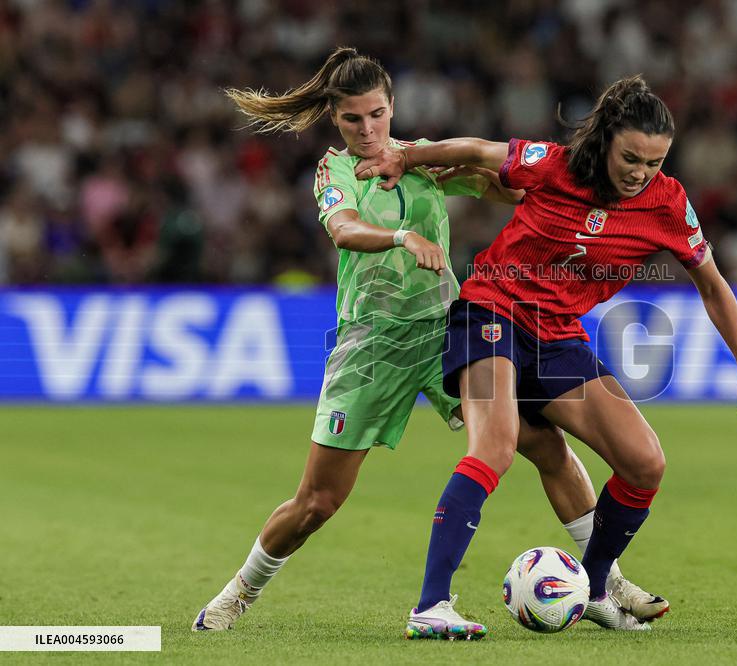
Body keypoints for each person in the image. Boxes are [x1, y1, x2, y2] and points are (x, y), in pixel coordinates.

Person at [192, 48, 661, 633]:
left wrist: (513, 186)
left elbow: (506, 188)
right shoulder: (333, 172)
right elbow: (344, 230)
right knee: (318, 501)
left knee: (542, 443)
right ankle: (239, 592)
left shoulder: (415, 160)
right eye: (353, 120)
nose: (368, 131)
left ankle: (604, 581)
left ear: (392, 108)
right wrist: (401, 237)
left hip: (447, 331)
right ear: (334, 121)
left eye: (378, 115)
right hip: (373, 347)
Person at [356, 75, 737, 640]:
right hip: (492, 312)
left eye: (654, 162)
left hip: (557, 337)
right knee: (496, 447)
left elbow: (713, 284)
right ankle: (431, 605)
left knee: (645, 461)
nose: (640, 172)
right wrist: (405, 157)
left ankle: (594, 588)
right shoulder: (553, 165)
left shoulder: (668, 204)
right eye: (631, 157)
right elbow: (478, 150)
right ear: (605, 142)